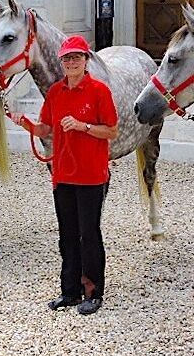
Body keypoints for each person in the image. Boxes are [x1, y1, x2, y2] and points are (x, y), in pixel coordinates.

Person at [15, 35, 118, 315]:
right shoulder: (56, 92)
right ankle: (69, 291)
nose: (71, 62)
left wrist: (82, 126)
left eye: (76, 57)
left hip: (91, 175)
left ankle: (93, 291)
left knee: (89, 234)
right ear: (61, 63)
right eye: (67, 58)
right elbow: (44, 129)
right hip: (63, 174)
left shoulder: (99, 91)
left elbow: (111, 130)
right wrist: (22, 121)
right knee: (67, 235)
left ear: (86, 61)